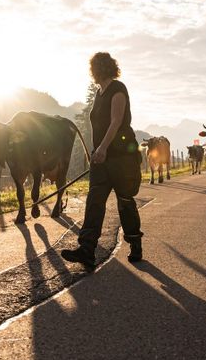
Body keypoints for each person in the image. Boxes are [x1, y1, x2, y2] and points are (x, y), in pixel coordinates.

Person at [61, 52, 144, 267]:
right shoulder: (99, 93)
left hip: (122, 159)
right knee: (94, 202)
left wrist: (103, 148)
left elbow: (116, 122)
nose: (91, 74)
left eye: (93, 69)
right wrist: (94, 151)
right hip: (102, 158)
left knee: (125, 201)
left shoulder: (118, 89)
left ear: (99, 69)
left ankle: (135, 243)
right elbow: (96, 125)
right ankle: (87, 250)